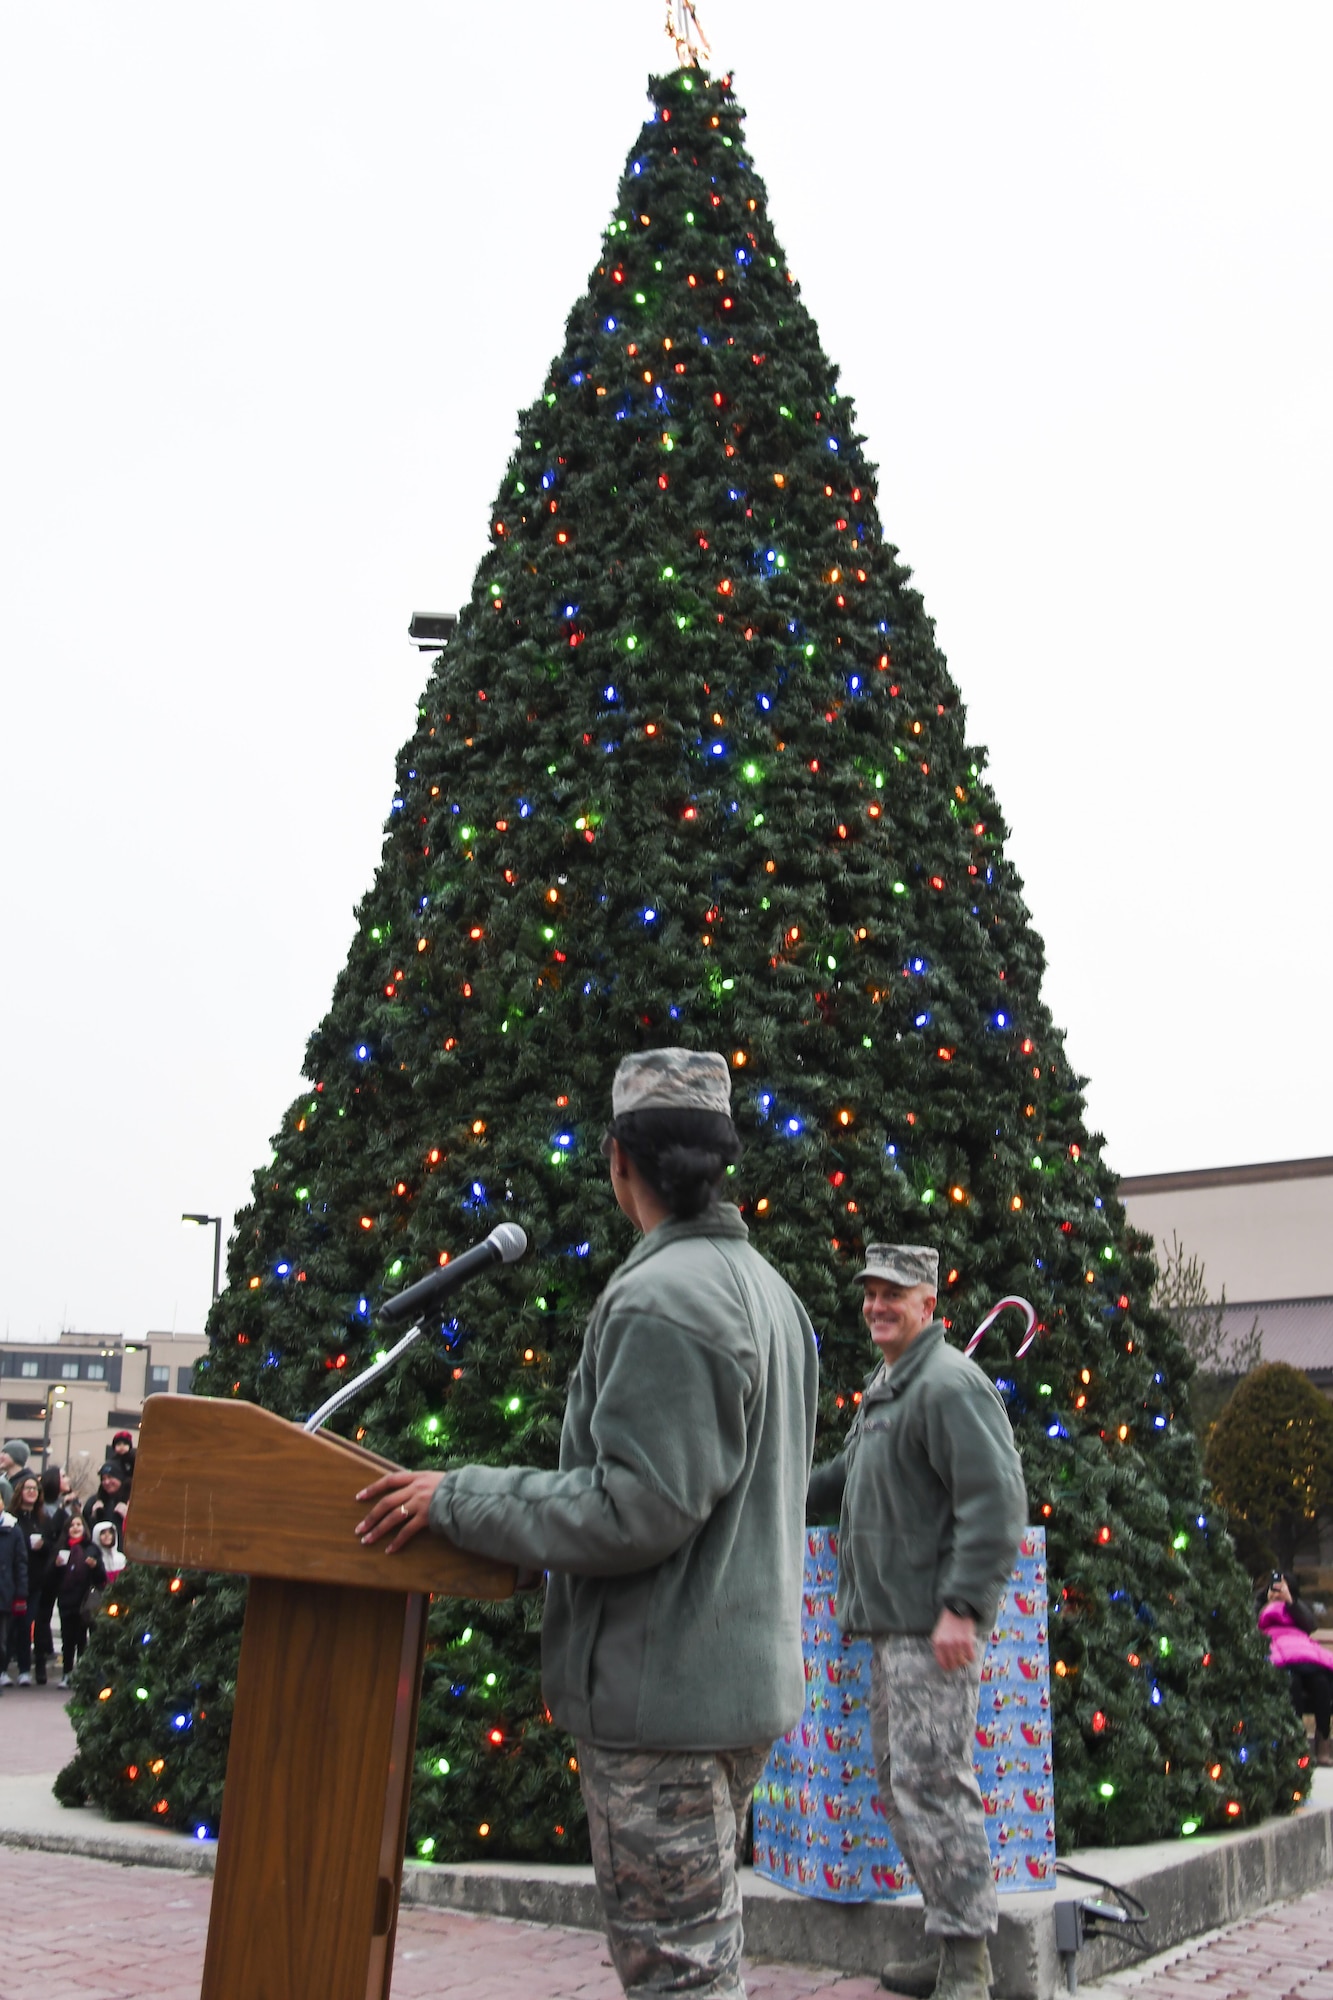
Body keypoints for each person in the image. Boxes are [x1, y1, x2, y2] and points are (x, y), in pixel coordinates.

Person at [356, 1049, 820, 2000]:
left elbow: (633, 1510)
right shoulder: (769, 1293)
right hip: (728, 1694)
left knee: (680, 1979)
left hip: (664, 1710)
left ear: (618, 1161)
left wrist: (459, 1498)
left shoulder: (664, 1298)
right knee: (701, 1959)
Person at [806, 1245, 1027, 2000]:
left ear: (928, 1303)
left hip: (931, 1630)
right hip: (887, 1628)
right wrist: (777, 1491)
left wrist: (964, 1607)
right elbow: (845, 1481)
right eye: (870, 1294)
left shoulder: (948, 1386)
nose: (877, 1306)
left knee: (934, 1787)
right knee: (901, 1784)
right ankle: (945, 1942)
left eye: (893, 1295)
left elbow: (995, 1505)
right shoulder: (889, 1386)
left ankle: (969, 1962)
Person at [1259, 1572, 1333, 1767]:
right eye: (1273, 1589)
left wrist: (1290, 1601)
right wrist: (1267, 1601)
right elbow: (1249, 1623)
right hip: (1279, 1656)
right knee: (1292, 1683)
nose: (1277, 1593)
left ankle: (1323, 1742)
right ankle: (1296, 1744)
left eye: (1281, 1589)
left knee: (1321, 1683)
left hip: (1306, 1656)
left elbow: (1310, 1625)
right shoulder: (1259, 1605)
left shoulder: (1299, 1607)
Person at [54, 1513, 105, 1686]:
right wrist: (57, 1566)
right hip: (66, 1600)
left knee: (82, 1639)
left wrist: (95, 1566)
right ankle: (67, 1673)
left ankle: (82, 1674)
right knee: (67, 1640)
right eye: (72, 1525)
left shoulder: (91, 1549)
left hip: (84, 1601)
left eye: (79, 1524)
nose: (75, 1527)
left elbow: (101, 1577)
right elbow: (50, 1578)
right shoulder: (61, 1548)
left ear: (84, 1528)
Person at [4, 1469, 44, 1683]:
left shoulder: (41, 1518)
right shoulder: (12, 1520)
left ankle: (24, 1669)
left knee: (26, 1625)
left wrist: (44, 1545)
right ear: (20, 1492)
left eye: (35, 1488)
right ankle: (5, 1669)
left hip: (35, 1581)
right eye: (27, 1488)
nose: (32, 1491)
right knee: (10, 1626)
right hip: (13, 1581)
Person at [34, 1467, 69, 1682]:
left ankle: (64, 1664)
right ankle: (40, 1661)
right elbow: (46, 1536)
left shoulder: (67, 1505)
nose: (67, 1479)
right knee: (42, 1615)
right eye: (63, 1476)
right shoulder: (46, 1509)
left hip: (65, 1569)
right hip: (46, 1569)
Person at [0, 1486, 30, 1697]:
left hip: (4, 1592)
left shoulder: (13, 1529)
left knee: (1, 1639)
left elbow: (21, 1563)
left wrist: (21, 1593)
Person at [84, 1464, 130, 1543]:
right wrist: (93, 1517)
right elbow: (86, 1531)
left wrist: (127, 1518)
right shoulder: (94, 1502)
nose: (106, 1482)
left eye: (110, 1477)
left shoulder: (132, 1500)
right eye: (103, 1479)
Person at [92, 1519, 127, 1584]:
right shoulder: (95, 1559)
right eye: (103, 1533)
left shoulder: (121, 1558)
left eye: (110, 1532)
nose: (107, 1535)